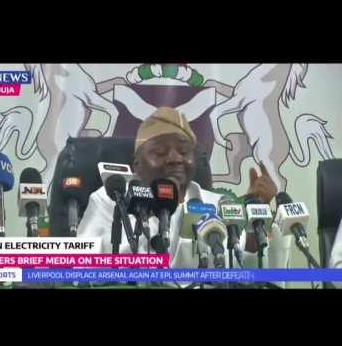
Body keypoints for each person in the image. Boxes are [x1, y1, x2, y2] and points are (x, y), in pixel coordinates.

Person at [77, 107, 292, 287]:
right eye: (160, 152)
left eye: (183, 152)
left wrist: (259, 217)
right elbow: (78, 267)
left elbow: (243, 266)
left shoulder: (215, 204)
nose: (175, 159)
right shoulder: (109, 199)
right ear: (137, 165)